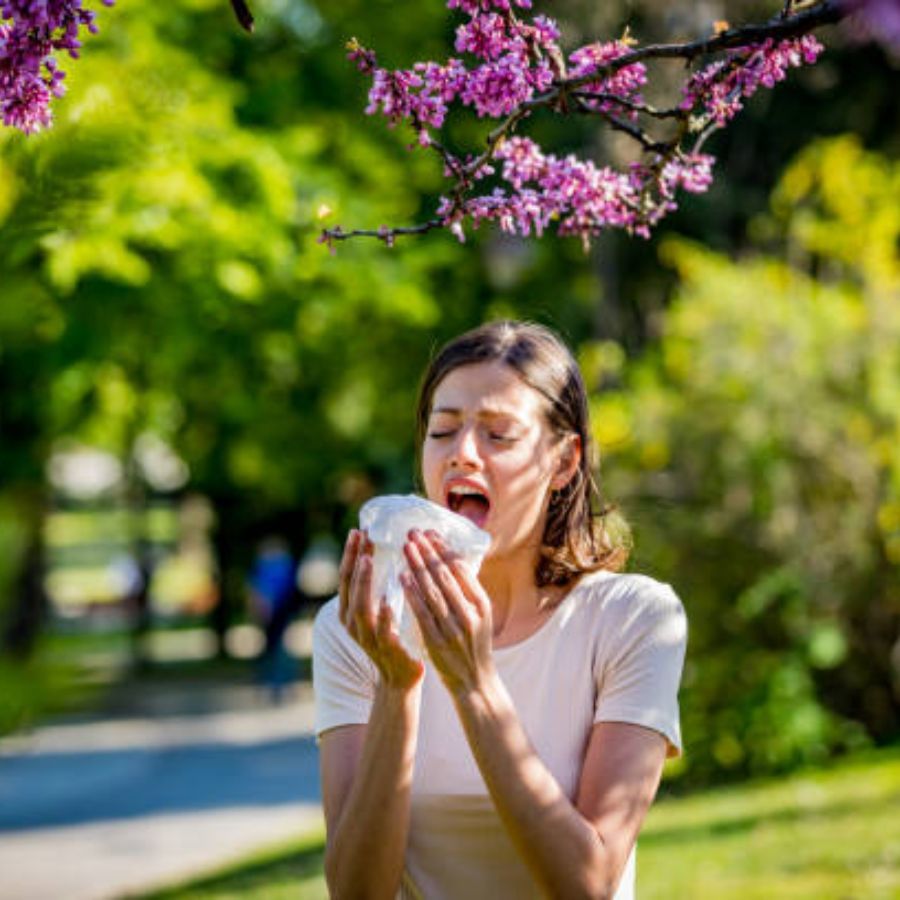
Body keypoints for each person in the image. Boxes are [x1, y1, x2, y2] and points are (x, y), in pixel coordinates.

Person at [313, 321, 687, 899]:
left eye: (499, 435)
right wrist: (397, 683)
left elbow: (587, 886)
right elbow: (356, 894)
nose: (462, 454)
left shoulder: (633, 620)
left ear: (564, 463)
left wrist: (474, 683)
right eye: (443, 430)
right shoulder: (356, 630)